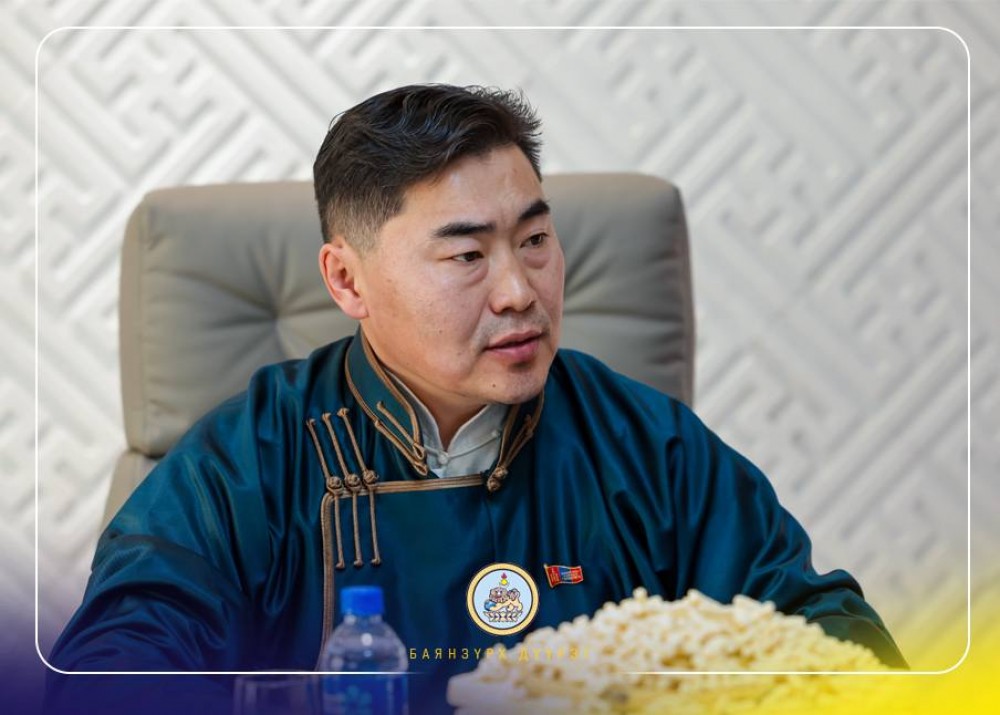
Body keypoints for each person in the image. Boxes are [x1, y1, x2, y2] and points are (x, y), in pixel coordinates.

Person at [46, 84, 905, 714]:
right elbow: (110, 671)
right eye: (466, 256)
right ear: (347, 280)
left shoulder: (648, 448)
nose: (520, 291)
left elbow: (835, 639)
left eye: (535, 239)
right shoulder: (247, 461)